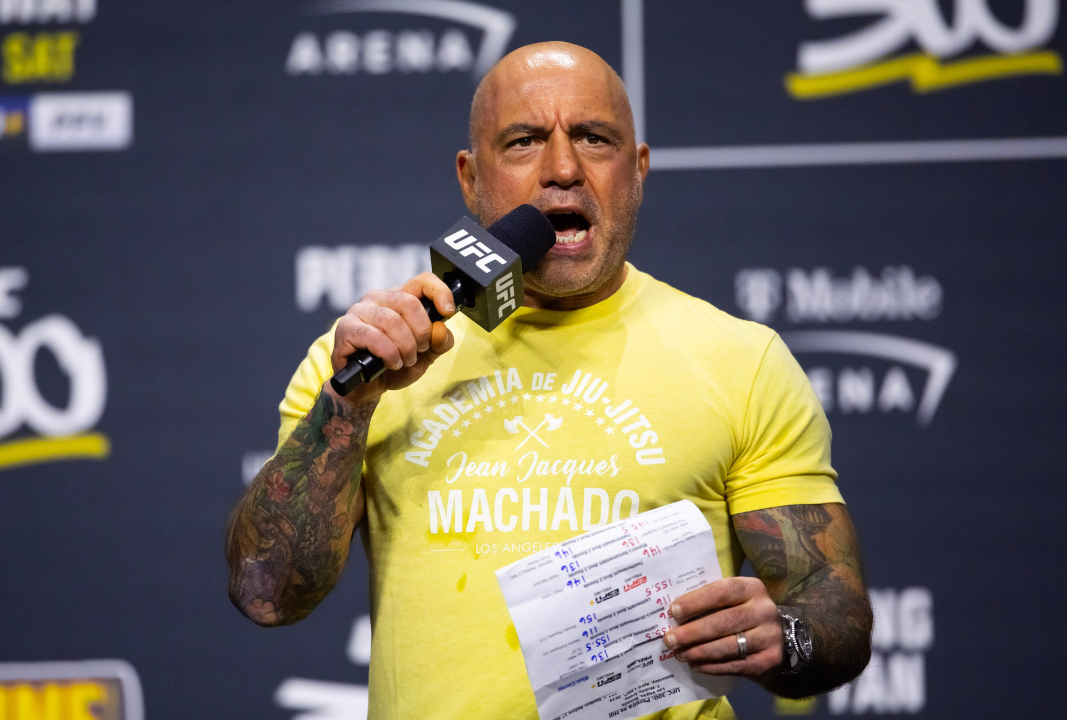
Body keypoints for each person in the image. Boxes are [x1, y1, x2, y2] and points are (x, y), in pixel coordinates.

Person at [226, 42, 872, 720]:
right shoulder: (365, 359)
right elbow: (266, 589)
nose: (562, 169)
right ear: (470, 180)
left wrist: (788, 635)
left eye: (594, 139)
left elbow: (833, 604)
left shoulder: (742, 361)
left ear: (639, 171)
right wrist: (348, 408)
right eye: (524, 142)